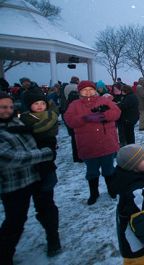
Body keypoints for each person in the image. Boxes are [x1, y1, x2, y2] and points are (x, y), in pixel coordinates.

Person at [0, 92, 55, 264]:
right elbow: (12, 158)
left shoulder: (19, 121)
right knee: (15, 220)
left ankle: (53, 239)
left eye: (10, 106)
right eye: (3, 107)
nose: (7, 110)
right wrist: (46, 153)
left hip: (39, 174)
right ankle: (5, 254)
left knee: (47, 209)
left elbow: (43, 132)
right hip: (14, 182)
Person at [19, 89, 62, 257]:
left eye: (42, 103)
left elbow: (50, 147)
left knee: (46, 205)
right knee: (16, 215)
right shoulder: (21, 121)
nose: (40, 106)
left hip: (44, 168)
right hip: (20, 173)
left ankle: (53, 237)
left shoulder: (50, 120)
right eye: (36, 104)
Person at [64, 81, 121, 205]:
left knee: (109, 170)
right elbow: (69, 120)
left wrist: (104, 115)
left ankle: (112, 190)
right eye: (85, 90)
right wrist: (85, 118)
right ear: (79, 92)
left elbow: (116, 112)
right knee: (92, 172)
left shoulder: (104, 100)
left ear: (95, 90)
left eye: (91, 89)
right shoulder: (75, 105)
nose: (88, 92)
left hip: (107, 143)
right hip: (88, 145)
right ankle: (94, 193)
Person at [109, 144, 144, 265]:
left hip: (128, 245)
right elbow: (139, 221)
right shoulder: (137, 191)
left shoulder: (123, 180)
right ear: (133, 166)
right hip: (141, 248)